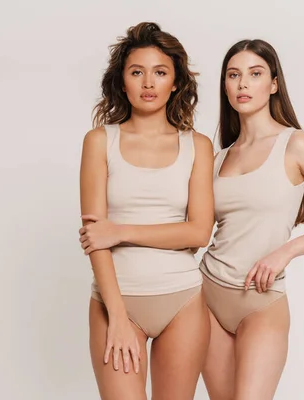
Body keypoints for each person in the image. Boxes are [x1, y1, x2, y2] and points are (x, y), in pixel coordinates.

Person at [198, 39, 304, 400]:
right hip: (207, 296)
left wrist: (284, 253)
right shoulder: (216, 158)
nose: (243, 84)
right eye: (233, 75)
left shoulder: (296, 144)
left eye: (254, 74)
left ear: (273, 84)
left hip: (262, 300)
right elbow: (195, 232)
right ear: (225, 86)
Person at [78, 22, 215, 399]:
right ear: (122, 82)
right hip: (116, 302)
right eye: (137, 72)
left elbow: (198, 232)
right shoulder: (99, 142)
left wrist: (120, 230)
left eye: (160, 72)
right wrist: (118, 316)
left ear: (175, 82)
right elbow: (95, 239)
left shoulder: (198, 146)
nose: (148, 83)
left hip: (182, 299)